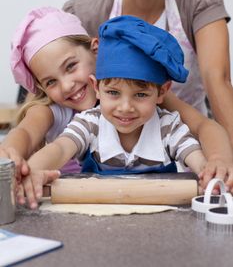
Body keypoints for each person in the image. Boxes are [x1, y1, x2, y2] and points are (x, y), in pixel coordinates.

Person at [63, 0, 233, 149]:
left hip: (191, 146)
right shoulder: (85, 12)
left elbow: (217, 77)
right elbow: (49, 94)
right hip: (114, 157)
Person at [20, 15, 207, 209]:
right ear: (97, 87)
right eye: (113, 93)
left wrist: (207, 173)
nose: (125, 107)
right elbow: (60, 148)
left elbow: (196, 158)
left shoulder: (168, 128)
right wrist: (35, 169)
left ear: (162, 92)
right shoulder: (90, 123)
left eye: (140, 95)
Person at [0, 7, 98, 181]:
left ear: (94, 50)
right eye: (51, 82)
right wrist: (9, 151)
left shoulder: (124, 98)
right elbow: (26, 133)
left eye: (70, 66)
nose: (67, 86)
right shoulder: (54, 110)